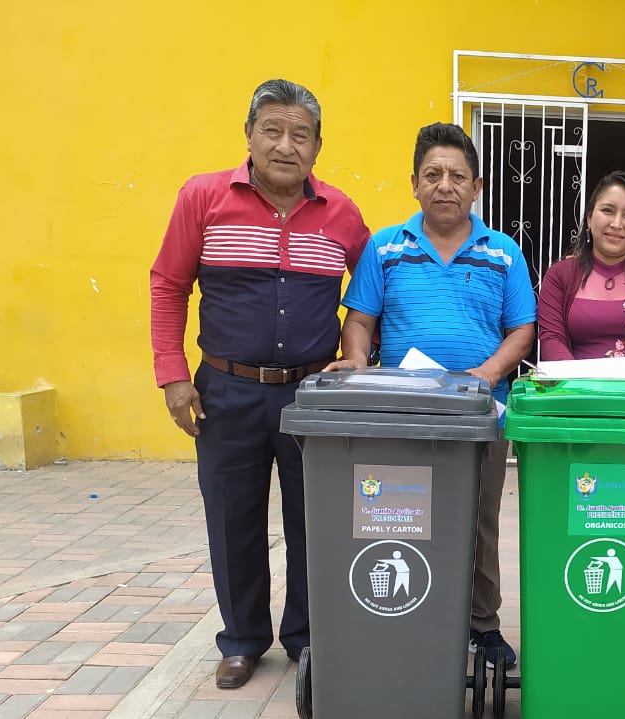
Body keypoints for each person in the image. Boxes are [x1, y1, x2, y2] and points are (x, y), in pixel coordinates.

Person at [149, 79, 370, 689]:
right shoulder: (202, 197)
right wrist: (173, 377)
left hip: (312, 396)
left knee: (315, 521)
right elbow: (168, 284)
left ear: (318, 146)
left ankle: (306, 637)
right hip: (225, 391)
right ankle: (242, 640)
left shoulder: (342, 213)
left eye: (300, 135)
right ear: (248, 135)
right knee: (232, 519)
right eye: (272, 130)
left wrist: (362, 360)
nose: (285, 145)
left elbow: (373, 293)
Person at [325, 122, 535, 668]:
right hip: (403, 414)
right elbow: (360, 319)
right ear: (414, 183)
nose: (445, 185)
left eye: (458, 176)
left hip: (479, 413)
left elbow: (522, 329)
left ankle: (483, 626)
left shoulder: (503, 252)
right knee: (402, 517)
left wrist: (486, 373)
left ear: (477, 186)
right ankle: (406, 612)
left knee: (479, 522)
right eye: (433, 174)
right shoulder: (385, 247)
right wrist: (356, 360)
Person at [536, 171, 625, 364]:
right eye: (607, 210)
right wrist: (575, 380)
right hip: (573, 382)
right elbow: (551, 338)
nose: (616, 223)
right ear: (589, 218)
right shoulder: (559, 275)